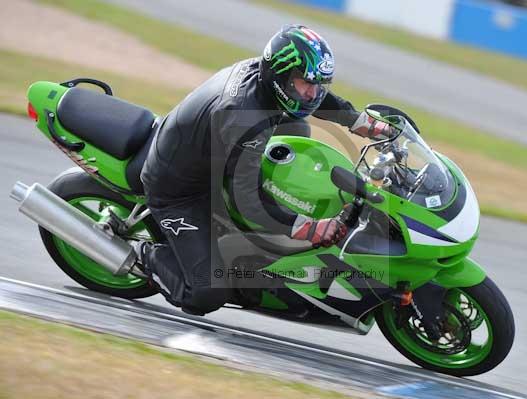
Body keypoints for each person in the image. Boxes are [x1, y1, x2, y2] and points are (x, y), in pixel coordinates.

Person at [135, 24, 393, 315]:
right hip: (180, 190)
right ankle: (141, 256)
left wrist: (365, 124)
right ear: (280, 77)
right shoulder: (242, 114)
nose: (312, 93)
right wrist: (308, 227)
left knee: (298, 128)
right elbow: (247, 201)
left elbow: (314, 100)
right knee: (207, 292)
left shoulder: (266, 80)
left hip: (209, 153)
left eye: (318, 84)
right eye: (305, 83)